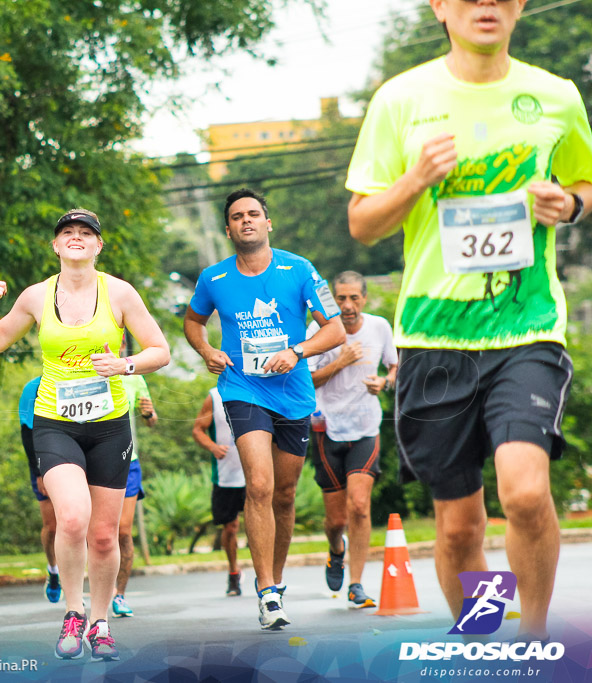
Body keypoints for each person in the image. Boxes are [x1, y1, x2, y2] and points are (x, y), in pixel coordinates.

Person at [346, 0, 592, 641]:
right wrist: (415, 180)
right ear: (439, 8)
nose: (486, 4)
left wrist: (568, 203)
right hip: (433, 338)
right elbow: (363, 222)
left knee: (526, 492)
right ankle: (484, 640)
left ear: (519, 7)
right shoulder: (401, 99)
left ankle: (534, 640)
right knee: (458, 526)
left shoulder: (556, 96)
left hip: (525, 328)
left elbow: (587, 184)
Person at [0, 208, 170, 660]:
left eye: (86, 233)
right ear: (56, 246)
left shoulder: (119, 292)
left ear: (98, 246)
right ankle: (72, 612)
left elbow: (159, 351)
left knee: (104, 536)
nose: (77, 238)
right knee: (72, 519)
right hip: (55, 421)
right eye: (68, 233)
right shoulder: (35, 296)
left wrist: (124, 364)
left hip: (108, 425)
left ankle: (100, 623)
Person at [184, 188, 345, 630]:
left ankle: (276, 578)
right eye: (237, 216)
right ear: (229, 228)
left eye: (254, 214)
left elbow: (334, 331)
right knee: (258, 484)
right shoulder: (213, 279)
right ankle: (267, 590)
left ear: (268, 223)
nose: (246, 221)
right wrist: (205, 350)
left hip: (293, 393)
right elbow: (193, 321)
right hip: (243, 388)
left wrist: (297, 351)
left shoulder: (301, 270)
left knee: (285, 494)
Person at [305, 271, 397, 609]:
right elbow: (306, 381)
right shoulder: (318, 331)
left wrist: (384, 383)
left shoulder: (379, 328)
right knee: (336, 521)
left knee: (359, 506)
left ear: (364, 299)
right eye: (341, 298)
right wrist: (340, 361)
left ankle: (356, 583)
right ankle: (335, 549)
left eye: (354, 298)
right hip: (326, 428)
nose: (347, 305)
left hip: (365, 426)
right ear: (333, 300)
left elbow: (394, 366)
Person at [111, 370, 158, 617]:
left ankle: (119, 594)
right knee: (95, 531)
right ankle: (95, 589)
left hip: (128, 462)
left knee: (123, 531)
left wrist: (149, 413)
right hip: (94, 463)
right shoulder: (80, 369)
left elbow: (151, 420)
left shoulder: (134, 378)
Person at [192, 386, 246, 597]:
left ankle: (265, 576)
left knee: (256, 521)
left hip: (255, 472)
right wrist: (213, 447)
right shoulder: (215, 396)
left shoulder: (258, 389)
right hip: (226, 474)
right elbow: (198, 429)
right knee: (230, 527)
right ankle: (233, 572)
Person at [18, 376, 62, 603]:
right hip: (43, 462)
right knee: (52, 526)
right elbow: (27, 435)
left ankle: (73, 580)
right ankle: (53, 570)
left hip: (76, 460)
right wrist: (38, 473)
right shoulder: (32, 387)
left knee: (78, 524)